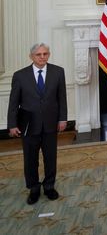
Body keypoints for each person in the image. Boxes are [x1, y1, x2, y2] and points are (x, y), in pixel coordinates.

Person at [6, 43, 67, 205]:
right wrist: (12, 124)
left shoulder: (58, 72)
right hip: (28, 125)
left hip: (50, 123)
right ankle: (33, 188)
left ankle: (49, 186)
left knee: (50, 158)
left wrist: (63, 118)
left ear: (49, 55)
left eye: (45, 54)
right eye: (38, 54)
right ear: (31, 56)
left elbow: (62, 98)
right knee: (30, 159)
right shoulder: (20, 75)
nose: (42, 57)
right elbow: (13, 103)